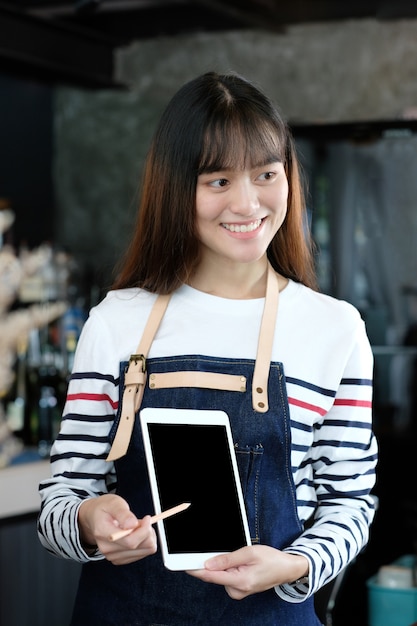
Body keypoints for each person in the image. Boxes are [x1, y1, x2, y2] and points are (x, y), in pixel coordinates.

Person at [38, 71, 378, 626]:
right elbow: (62, 496)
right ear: (176, 188)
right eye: (217, 181)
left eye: (266, 174)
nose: (247, 203)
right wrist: (88, 522)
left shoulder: (335, 328)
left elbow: (352, 504)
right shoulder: (117, 321)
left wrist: (294, 564)